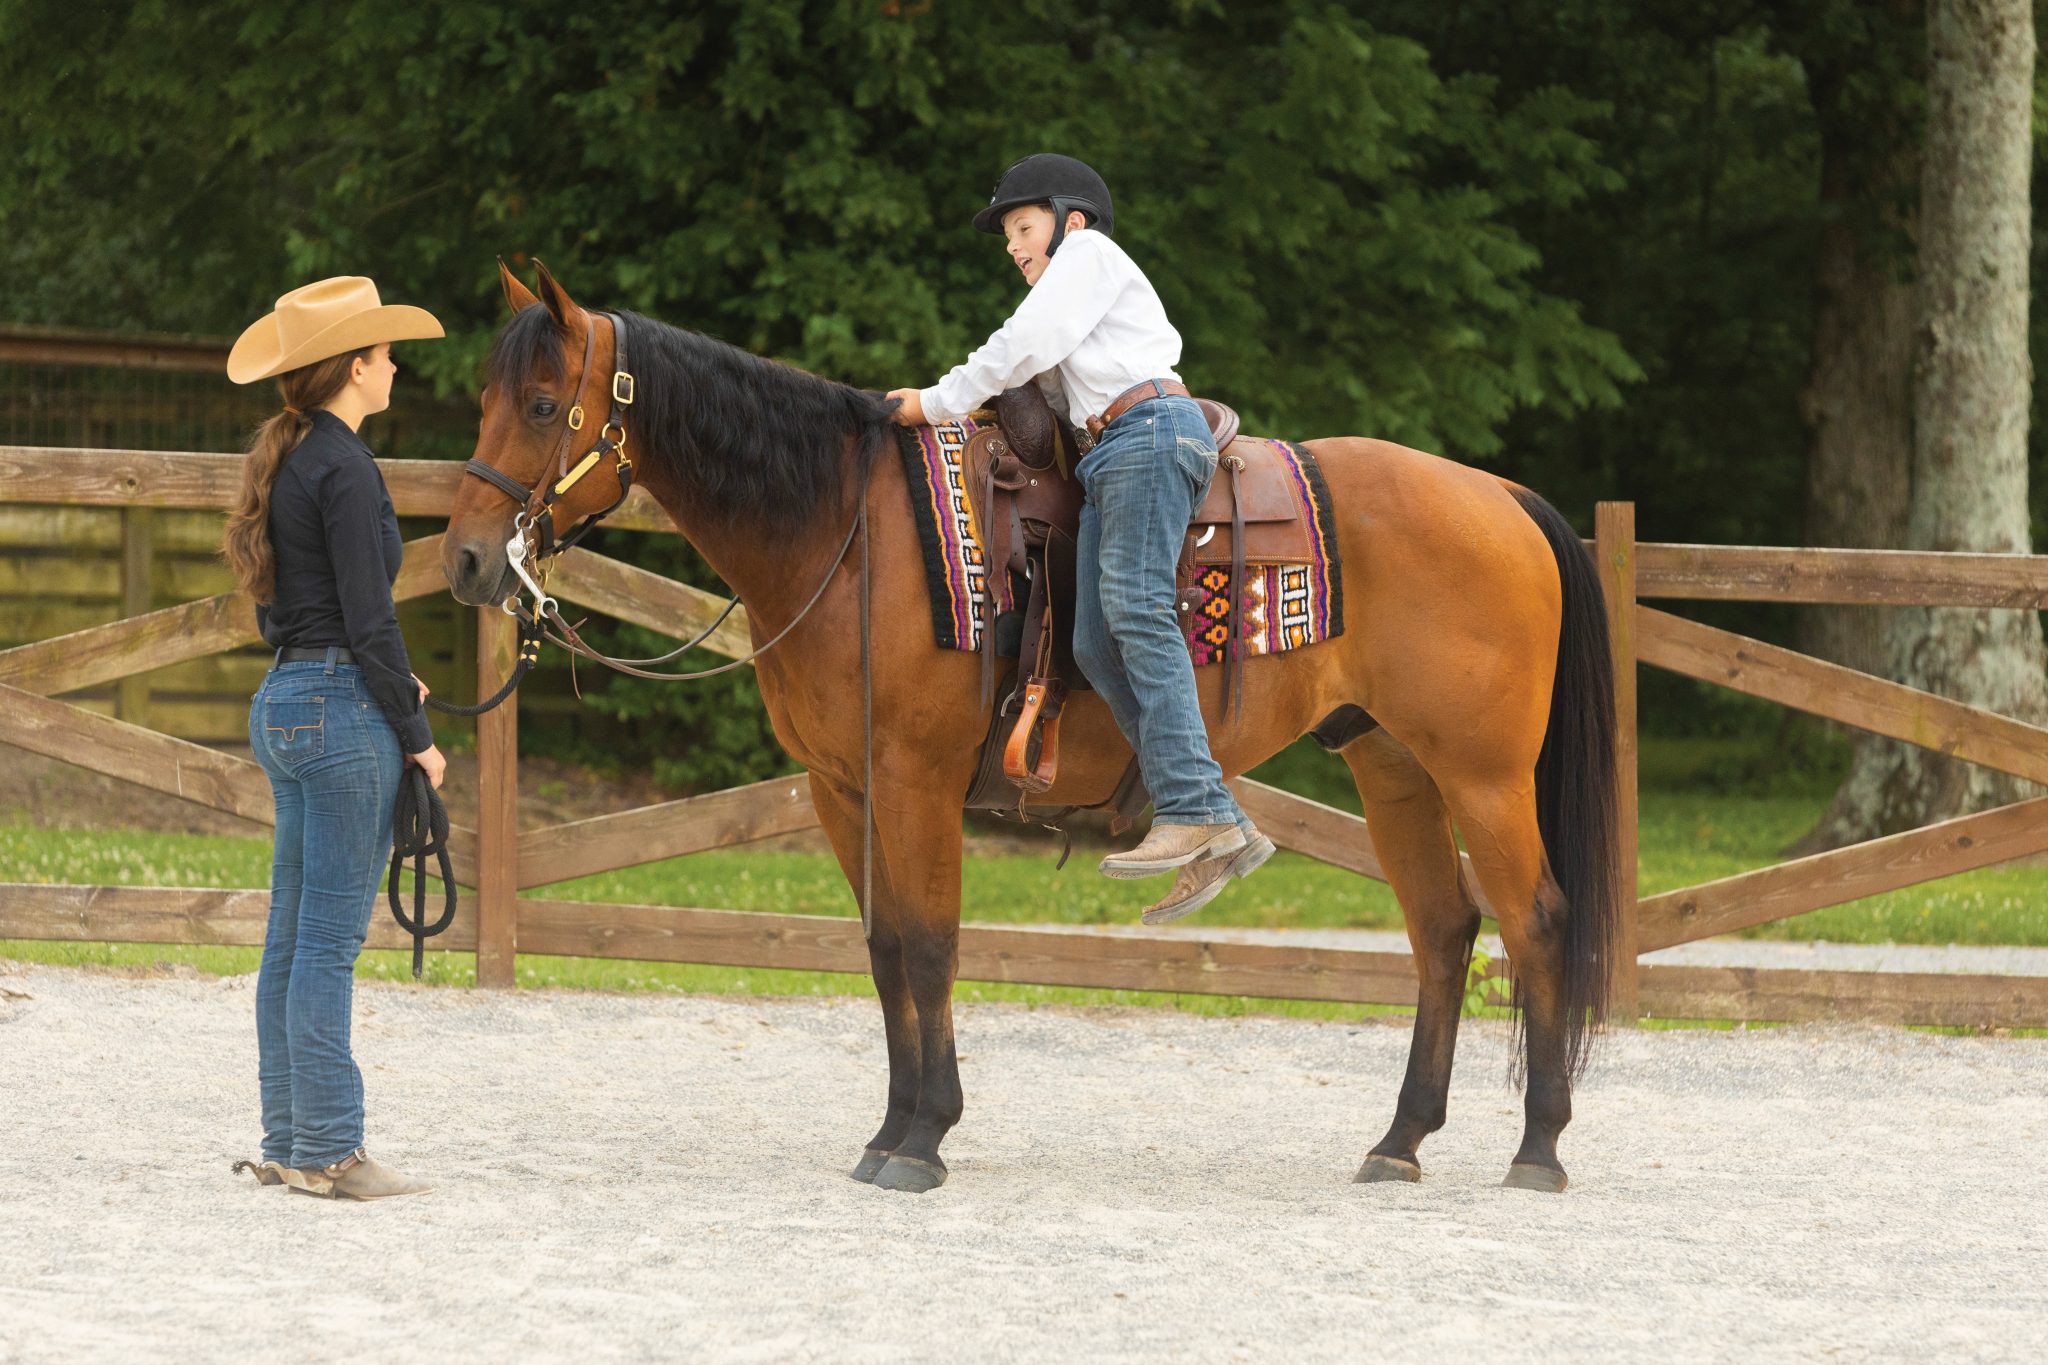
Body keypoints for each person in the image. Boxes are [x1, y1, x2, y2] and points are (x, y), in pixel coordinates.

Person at [887, 154, 1273, 924]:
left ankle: (1193, 806)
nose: (1012, 246)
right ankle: (1215, 816)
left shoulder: (1088, 256)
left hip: (1146, 433)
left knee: (1135, 608)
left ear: (1072, 221)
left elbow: (1020, 345)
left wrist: (933, 403)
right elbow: (1040, 383)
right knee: (1094, 643)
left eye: (1023, 227)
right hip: (1113, 450)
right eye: (1007, 235)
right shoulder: (1076, 299)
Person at [221, 276, 447, 1200]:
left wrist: (377, 678)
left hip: (286, 698)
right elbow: (368, 613)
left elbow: (304, 611)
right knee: (324, 942)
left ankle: (289, 1138)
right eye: (386, 354)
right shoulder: (347, 466)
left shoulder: (290, 458)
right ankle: (329, 1149)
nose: (395, 367)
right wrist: (416, 732)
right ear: (355, 366)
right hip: (339, 709)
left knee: (291, 935)